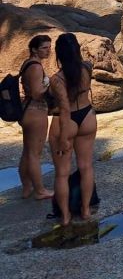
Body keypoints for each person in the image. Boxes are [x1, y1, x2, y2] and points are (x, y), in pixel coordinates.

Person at [49, 33, 97, 226]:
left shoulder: (57, 79)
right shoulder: (87, 68)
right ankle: (85, 210)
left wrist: (62, 138)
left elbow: (65, 107)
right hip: (87, 115)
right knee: (86, 166)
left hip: (66, 122)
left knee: (62, 172)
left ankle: (66, 216)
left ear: (58, 54)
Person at [18, 35, 54, 200]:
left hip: (28, 111)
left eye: (49, 47)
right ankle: (40, 191)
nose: (48, 51)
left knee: (27, 151)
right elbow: (37, 93)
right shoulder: (36, 67)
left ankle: (27, 187)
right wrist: (50, 84)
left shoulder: (28, 64)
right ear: (34, 49)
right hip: (36, 112)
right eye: (44, 48)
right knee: (34, 153)